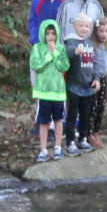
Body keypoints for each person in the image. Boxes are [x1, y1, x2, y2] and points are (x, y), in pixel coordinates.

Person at [62, 14, 104, 154]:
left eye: (86, 26)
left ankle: (83, 139)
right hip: (74, 85)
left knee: (86, 114)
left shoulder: (91, 43)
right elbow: (67, 53)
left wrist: (97, 78)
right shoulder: (71, 41)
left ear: (90, 28)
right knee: (72, 114)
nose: (84, 29)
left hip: (88, 86)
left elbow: (96, 63)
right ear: (75, 27)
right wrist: (75, 52)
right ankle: (70, 142)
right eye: (81, 26)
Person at [29, 18, 70, 161]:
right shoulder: (37, 48)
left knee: (58, 120)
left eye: (53, 33)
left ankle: (58, 147)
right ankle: (43, 150)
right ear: (42, 34)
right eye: (47, 34)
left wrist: (56, 53)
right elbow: (36, 65)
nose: (51, 37)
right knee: (44, 121)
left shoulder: (61, 48)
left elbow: (64, 66)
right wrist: (48, 55)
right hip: (43, 92)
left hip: (58, 92)